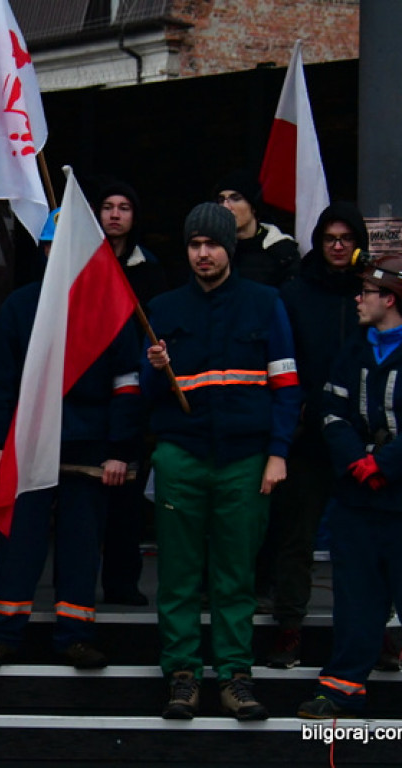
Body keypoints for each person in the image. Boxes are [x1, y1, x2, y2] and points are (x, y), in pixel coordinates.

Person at [143, 202, 300, 721]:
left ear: (230, 248)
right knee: (179, 576)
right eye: (194, 244)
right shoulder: (161, 311)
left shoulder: (266, 303)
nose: (203, 253)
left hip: (246, 461)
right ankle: (182, 677)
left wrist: (277, 454)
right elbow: (145, 395)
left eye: (212, 244)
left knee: (236, 577)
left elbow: (286, 388)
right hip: (181, 458)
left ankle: (236, 677)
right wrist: (155, 369)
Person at [0, 213, 142, 670]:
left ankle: (75, 637)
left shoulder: (113, 307)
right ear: (44, 251)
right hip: (29, 443)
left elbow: (128, 384)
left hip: (90, 446)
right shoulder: (22, 306)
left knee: (82, 546)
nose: (60, 255)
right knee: (16, 543)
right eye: (53, 246)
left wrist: (120, 449)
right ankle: (2, 635)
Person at [296, 255, 402, 719]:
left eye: (367, 293)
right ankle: (341, 689)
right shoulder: (353, 349)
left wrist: (385, 464)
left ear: (390, 299)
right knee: (356, 598)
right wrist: (357, 462)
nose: (358, 300)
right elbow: (331, 410)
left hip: (399, 500)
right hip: (357, 501)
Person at [265, 203, 367, 668]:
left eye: (347, 238)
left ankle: (375, 632)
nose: (339, 246)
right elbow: (282, 360)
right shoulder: (294, 293)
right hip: (307, 437)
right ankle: (289, 630)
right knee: (296, 538)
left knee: (366, 542)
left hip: (361, 440)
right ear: (319, 242)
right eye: (330, 238)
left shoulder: (374, 292)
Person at [95, 181, 166, 606]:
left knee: (125, 495)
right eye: (106, 206)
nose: (115, 215)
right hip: (85, 389)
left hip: (133, 390)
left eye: (123, 207)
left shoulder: (151, 272)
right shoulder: (80, 263)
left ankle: (122, 583)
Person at [213, 169, 299, 287]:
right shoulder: (210, 249)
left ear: (253, 207)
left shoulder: (281, 251)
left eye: (236, 198)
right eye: (221, 200)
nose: (226, 206)